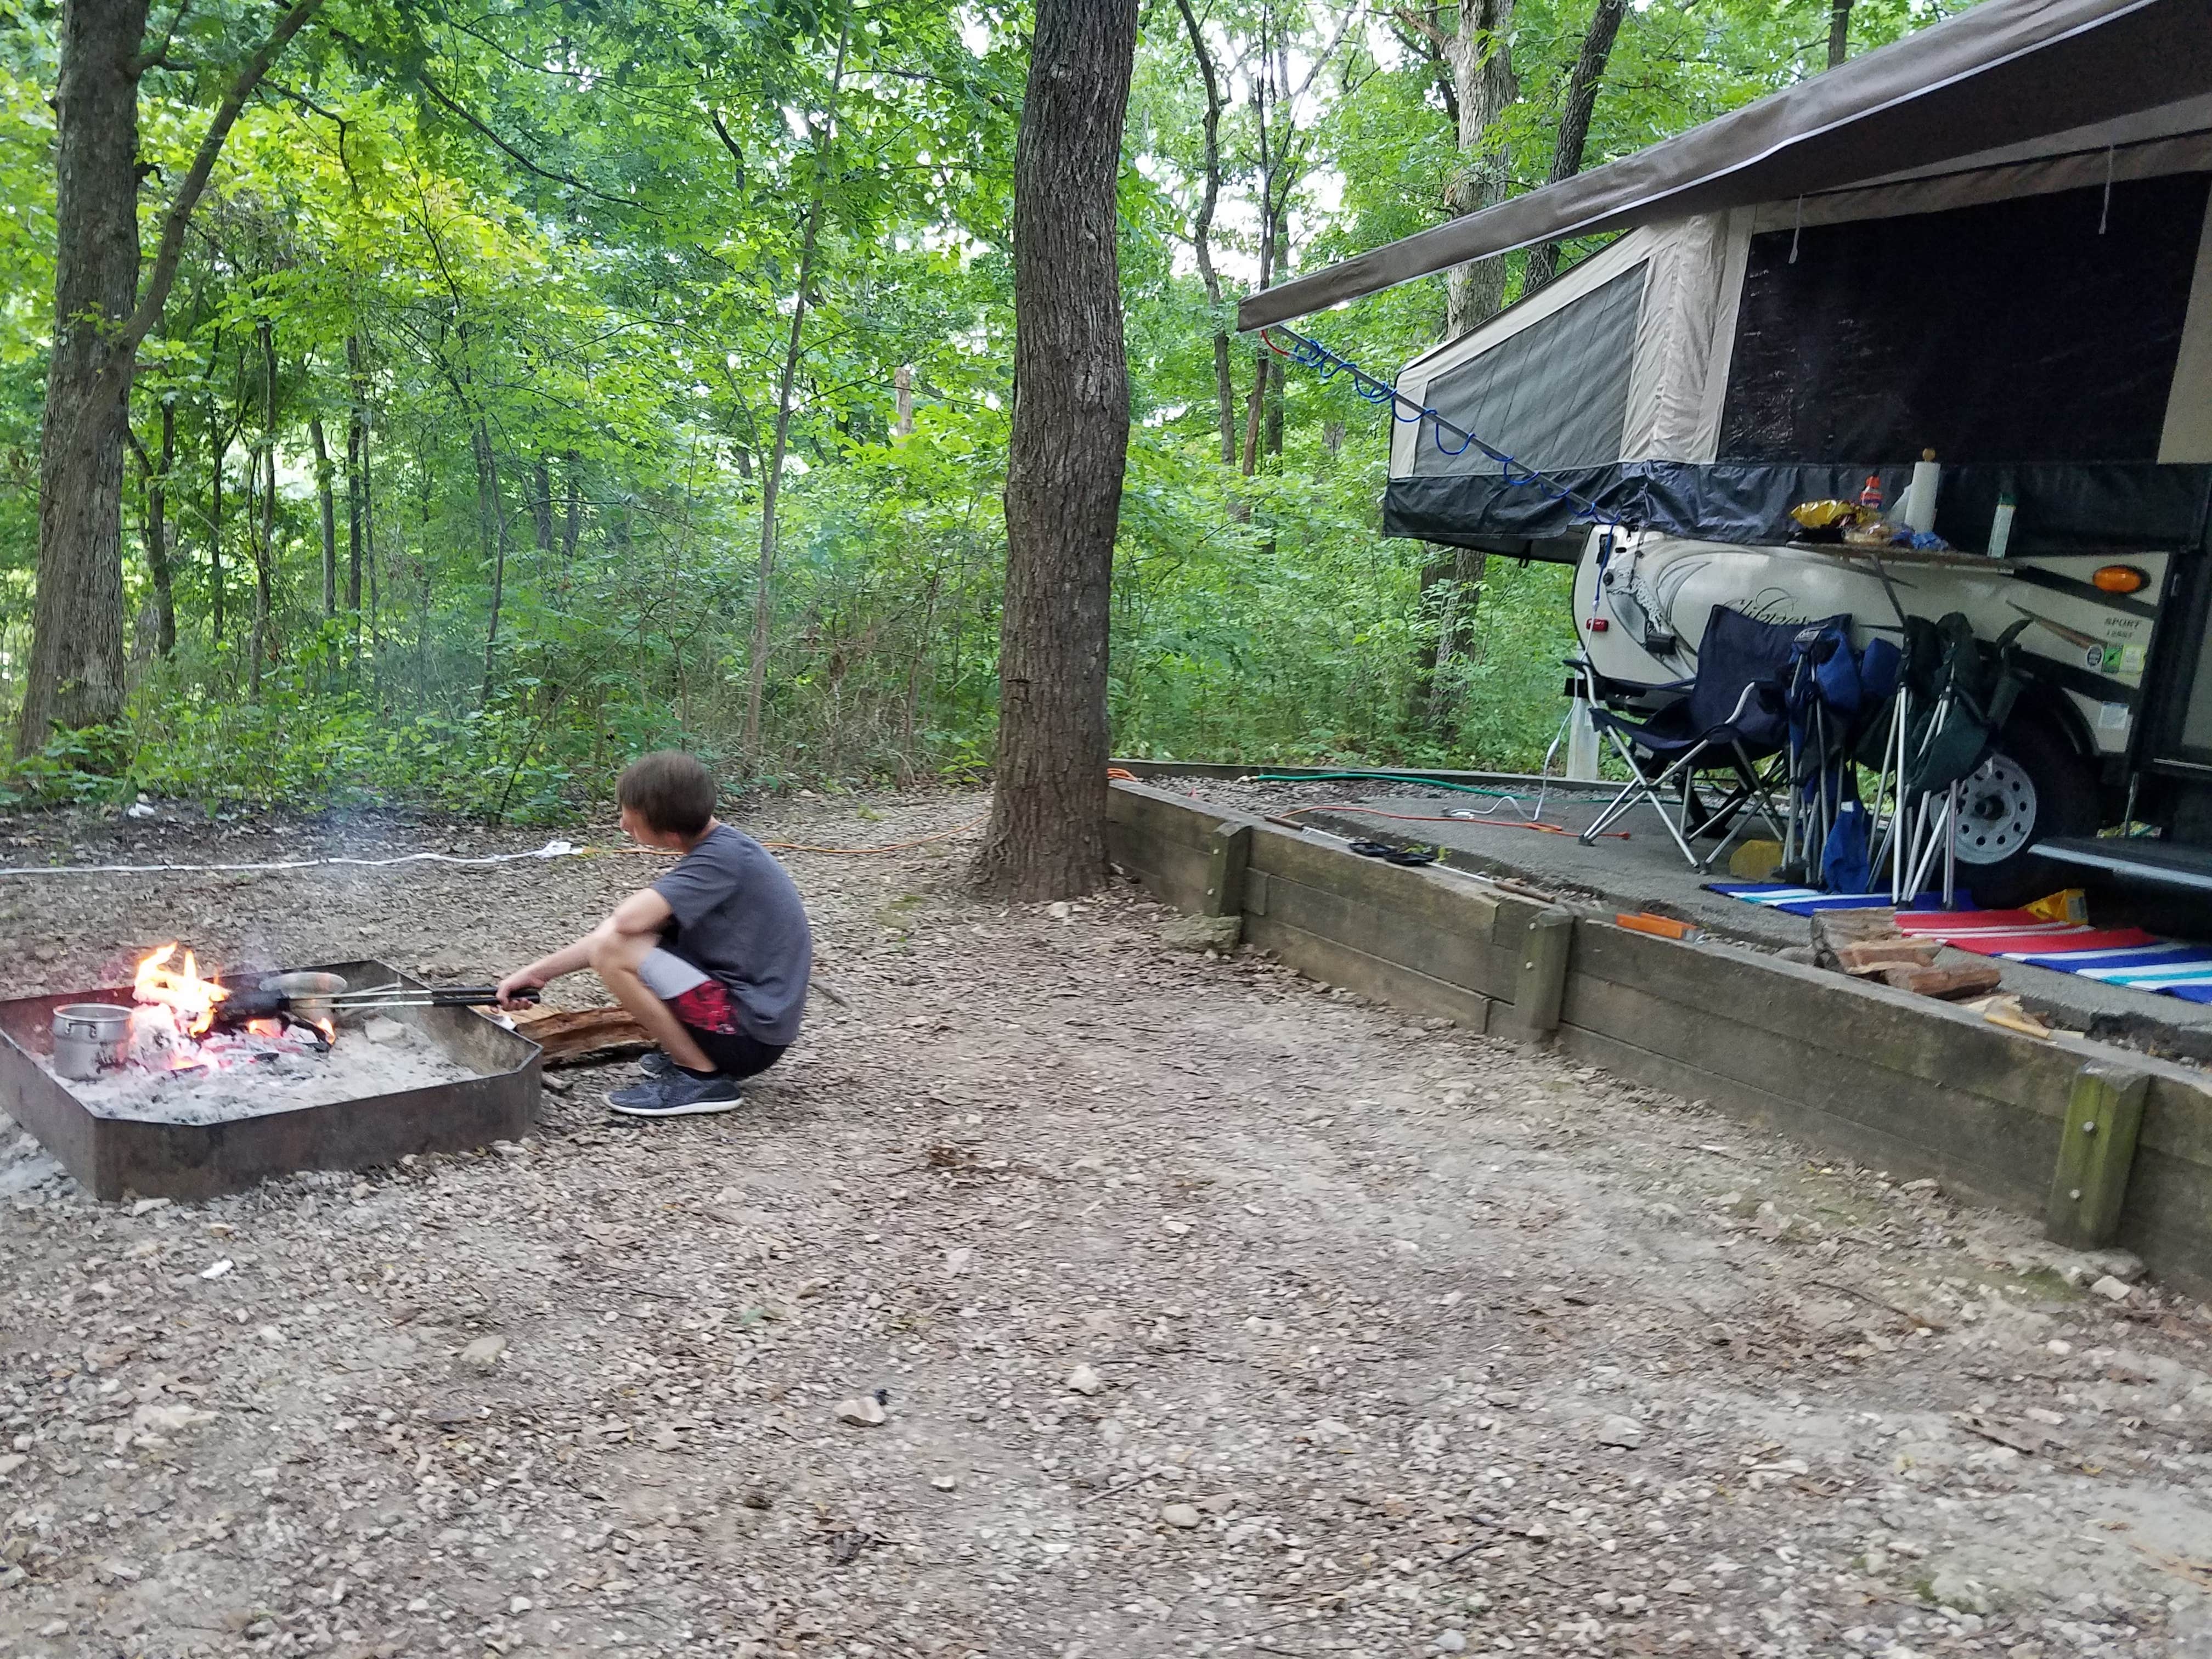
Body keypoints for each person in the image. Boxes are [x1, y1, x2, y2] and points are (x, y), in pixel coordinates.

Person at [496, 751, 813, 1118]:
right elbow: (617, 934)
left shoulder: (721, 860)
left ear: (670, 833)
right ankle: (699, 1062)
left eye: (630, 819)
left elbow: (625, 926)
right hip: (745, 1027)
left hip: (747, 1035)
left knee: (615, 951)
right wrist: (538, 973)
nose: (622, 825)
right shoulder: (722, 850)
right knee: (615, 946)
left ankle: (699, 1077)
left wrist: (627, 921)